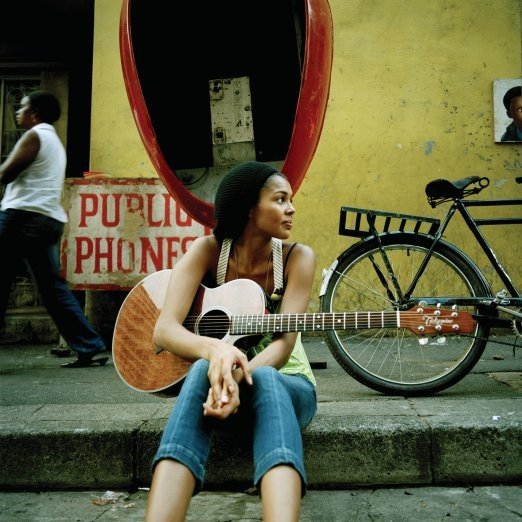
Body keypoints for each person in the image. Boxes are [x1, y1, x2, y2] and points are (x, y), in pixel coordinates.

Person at [146, 161, 317, 521]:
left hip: (289, 386)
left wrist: (235, 375)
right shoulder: (207, 251)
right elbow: (164, 329)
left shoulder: (297, 258)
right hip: (219, 388)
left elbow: (283, 346)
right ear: (249, 208)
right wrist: (218, 351)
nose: (291, 209)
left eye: (291, 200)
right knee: (201, 368)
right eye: (280, 199)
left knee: (266, 376)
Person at [0, 90, 108, 368]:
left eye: (22, 107)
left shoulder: (34, 136)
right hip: (47, 220)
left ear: (34, 113)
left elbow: (6, 173)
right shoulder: (55, 143)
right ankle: (90, 345)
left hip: (21, 217)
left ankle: (89, 344)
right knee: (53, 290)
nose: (18, 112)